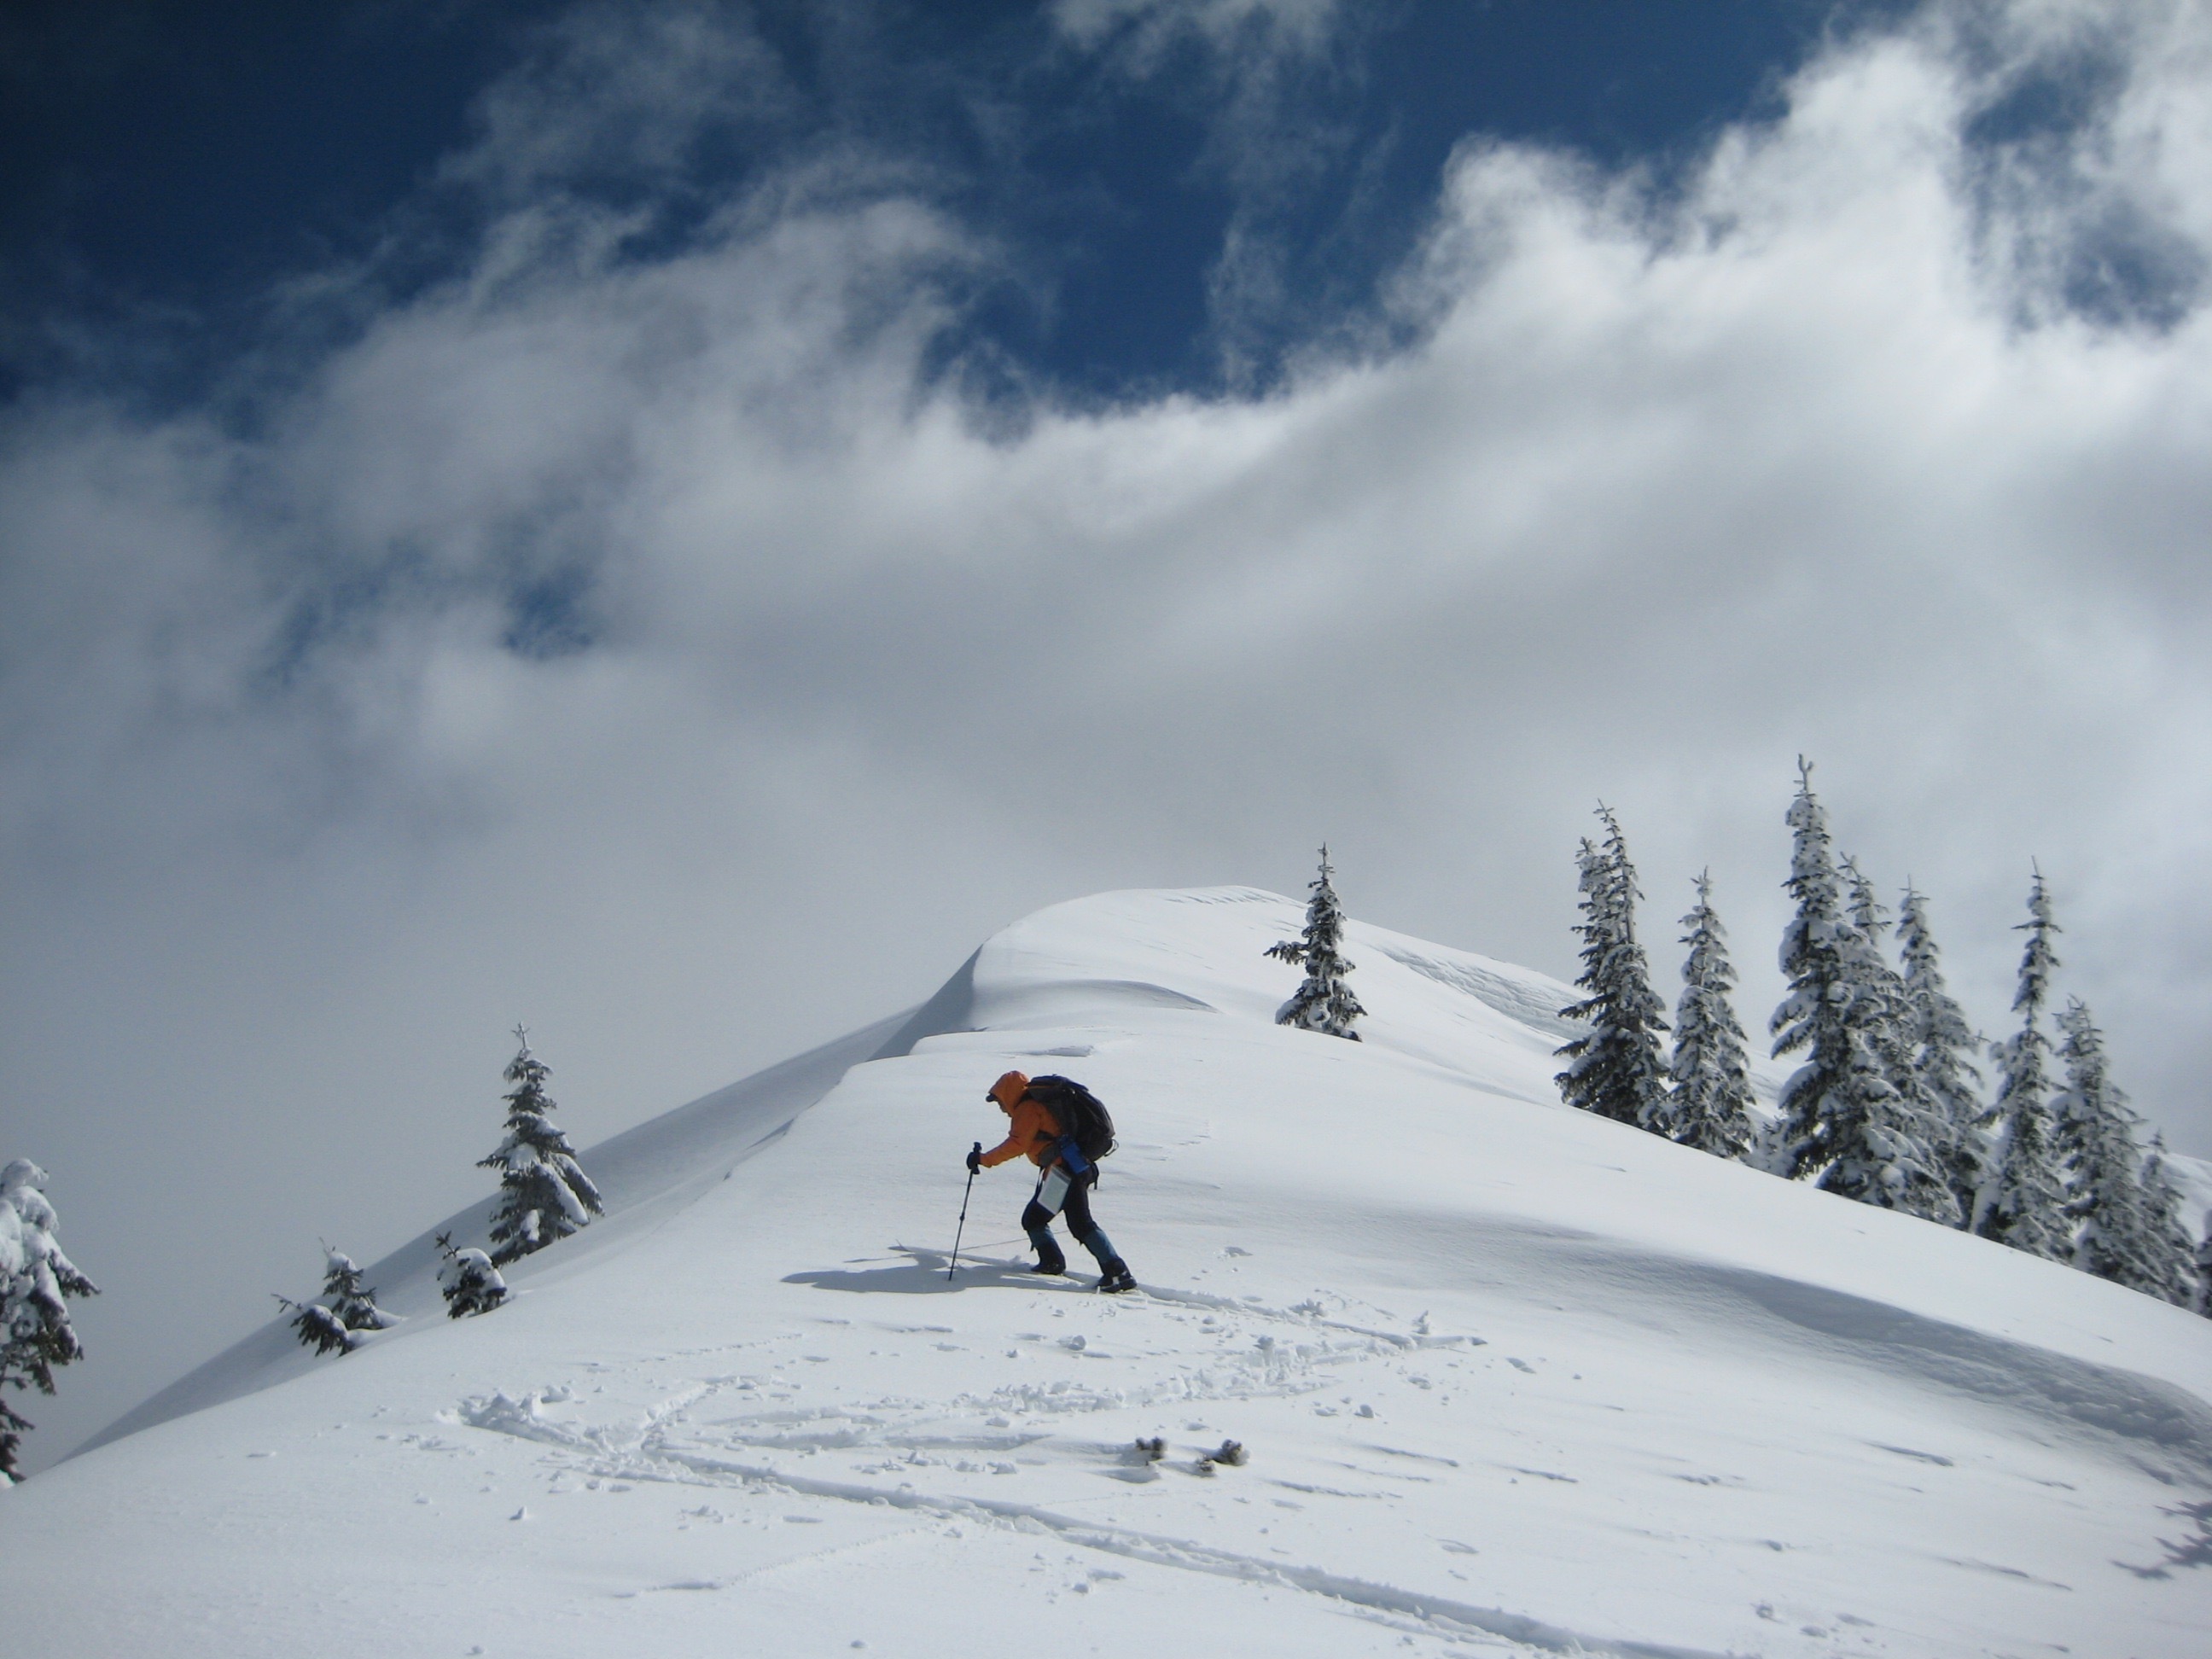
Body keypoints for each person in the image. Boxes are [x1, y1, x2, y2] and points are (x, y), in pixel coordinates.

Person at [969, 1070, 1135, 1292]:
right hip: (1066, 1170)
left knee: (1080, 1223)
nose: (1000, 1107)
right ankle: (1052, 1262)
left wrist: (983, 1159)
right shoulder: (1033, 1105)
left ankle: (1118, 1273)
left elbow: (1017, 1144)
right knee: (1035, 1219)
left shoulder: (1027, 1109)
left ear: (1008, 1094)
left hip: (1066, 1172)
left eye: (999, 1100)